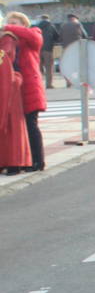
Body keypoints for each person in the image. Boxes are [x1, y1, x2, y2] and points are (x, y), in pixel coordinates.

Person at [2, 12, 44, 173]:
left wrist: (6, 27)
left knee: (31, 125)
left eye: (15, 23)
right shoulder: (10, 41)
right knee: (23, 127)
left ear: (24, 24)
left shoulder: (33, 34)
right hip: (17, 91)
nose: (12, 26)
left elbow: (33, 37)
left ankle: (38, 161)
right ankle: (27, 161)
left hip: (30, 87)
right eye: (10, 22)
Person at [0, 25, 31, 174]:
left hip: (9, 85)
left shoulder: (7, 38)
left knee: (12, 126)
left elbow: (4, 56)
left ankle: (14, 162)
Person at [35, 14, 57, 89]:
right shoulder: (51, 26)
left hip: (38, 49)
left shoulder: (36, 26)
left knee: (38, 68)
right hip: (48, 49)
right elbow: (56, 37)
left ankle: (38, 84)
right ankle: (49, 84)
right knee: (49, 68)